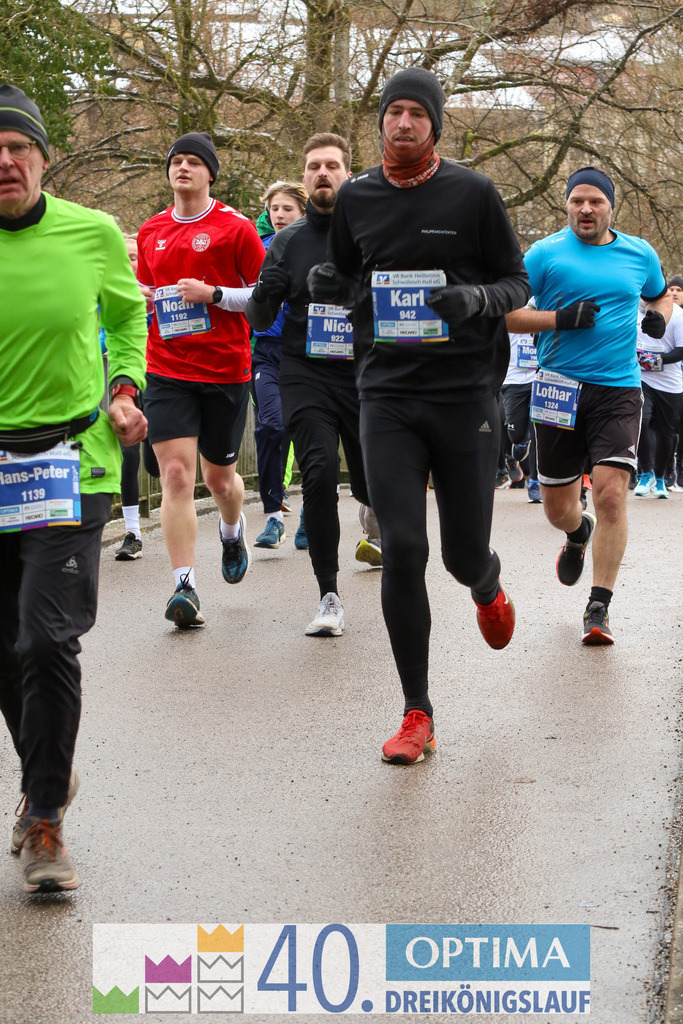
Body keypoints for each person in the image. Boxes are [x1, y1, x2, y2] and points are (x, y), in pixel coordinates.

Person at [309, 69, 530, 762]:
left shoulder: (472, 193)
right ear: (380, 122)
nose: (401, 123)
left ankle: (487, 584)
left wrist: (478, 300)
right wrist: (332, 287)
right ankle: (416, 711)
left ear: (435, 125)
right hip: (388, 395)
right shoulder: (357, 198)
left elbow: (516, 281)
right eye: (392, 113)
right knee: (403, 546)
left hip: (464, 395)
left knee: (462, 555)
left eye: (415, 113)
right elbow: (348, 277)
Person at [0, 86, 147, 891]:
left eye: (18, 146)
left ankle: (45, 821)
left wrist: (125, 388)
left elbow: (128, 318)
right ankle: (44, 769)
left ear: (44, 157)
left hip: (69, 461)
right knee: (4, 647)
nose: (4, 160)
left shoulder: (92, 234)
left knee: (46, 637)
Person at [505, 166, 672, 645]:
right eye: (577, 200)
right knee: (558, 507)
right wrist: (558, 318)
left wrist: (658, 319)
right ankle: (577, 533)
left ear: (610, 206)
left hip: (619, 389)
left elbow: (659, 297)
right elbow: (507, 314)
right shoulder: (544, 254)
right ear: (567, 205)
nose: (585, 209)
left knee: (612, 493)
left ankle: (598, 608)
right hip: (559, 386)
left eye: (595, 201)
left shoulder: (639, 252)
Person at [246, 133, 382, 638]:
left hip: (364, 372)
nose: (322, 173)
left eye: (332, 165)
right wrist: (268, 292)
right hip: (304, 370)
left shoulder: (372, 233)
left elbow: (395, 305)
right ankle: (329, 595)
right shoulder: (287, 241)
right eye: (313, 167)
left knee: (371, 481)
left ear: (348, 174)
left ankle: (376, 514)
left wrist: (352, 291)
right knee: (320, 473)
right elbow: (260, 316)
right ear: (305, 178)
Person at [136, 132, 265, 627]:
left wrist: (212, 294)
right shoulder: (150, 232)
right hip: (166, 366)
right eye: (177, 161)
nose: (183, 168)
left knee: (220, 479)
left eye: (194, 162)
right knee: (175, 475)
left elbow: (262, 298)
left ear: (211, 173)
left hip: (225, 369)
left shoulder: (235, 229)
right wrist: (145, 298)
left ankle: (232, 530)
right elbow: (144, 291)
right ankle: (184, 586)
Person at [251, 182, 308, 549]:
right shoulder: (258, 249)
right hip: (267, 351)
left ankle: (310, 518)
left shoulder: (315, 244)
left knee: (310, 437)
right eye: (275, 209)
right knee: (271, 424)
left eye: (288, 208)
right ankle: (273, 517)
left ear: (302, 212)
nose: (280, 215)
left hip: (306, 352)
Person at [115, 234, 155, 559]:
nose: (130, 263)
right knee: (128, 456)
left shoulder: (157, 296)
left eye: (134, 256)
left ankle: (174, 516)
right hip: (124, 387)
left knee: (157, 464)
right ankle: (133, 533)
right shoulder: (108, 297)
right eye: (124, 256)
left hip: (159, 383)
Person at [634, 296, 683, 497]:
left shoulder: (678, 314)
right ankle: (646, 473)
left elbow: (681, 350)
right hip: (640, 378)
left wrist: (655, 360)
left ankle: (661, 479)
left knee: (665, 433)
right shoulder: (631, 309)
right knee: (640, 421)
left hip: (669, 382)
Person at [502, 328, 542, 503]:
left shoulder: (542, 304)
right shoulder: (512, 304)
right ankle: (521, 442)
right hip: (513, 378)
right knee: (516, 435)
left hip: (539, 376)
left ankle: (535, 482)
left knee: (538, 431)